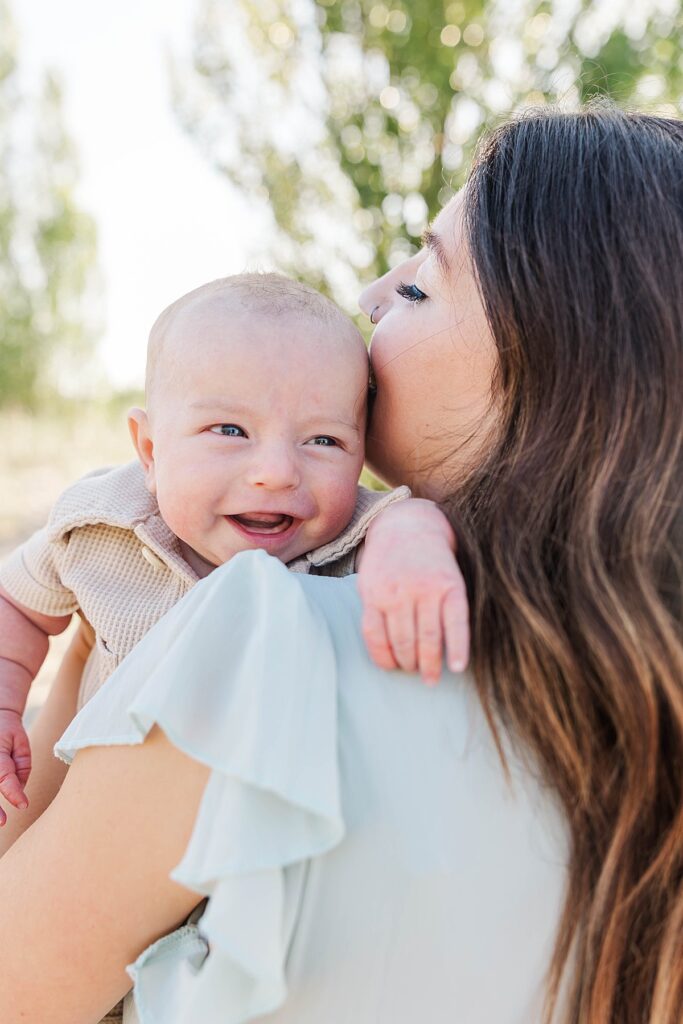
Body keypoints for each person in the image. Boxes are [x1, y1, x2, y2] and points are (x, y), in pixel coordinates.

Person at [1, 105, 681, 1024]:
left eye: (419, 288)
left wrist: (64, 696)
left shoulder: (254, 646)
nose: (369, 290)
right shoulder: (640, 728)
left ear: (555, 363)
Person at [0, 272, 468, 831]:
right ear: (150, 452)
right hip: (98, 833)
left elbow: (398, 514)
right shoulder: (101, 523)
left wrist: (412, 542)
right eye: (229, 430)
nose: (275, 472)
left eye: (324, 441)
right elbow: (17, 602)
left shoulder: (347, 536)